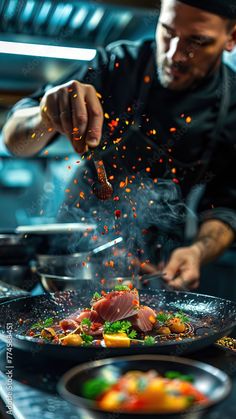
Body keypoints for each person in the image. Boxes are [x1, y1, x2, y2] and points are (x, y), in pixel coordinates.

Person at [3, 0, 236, 290]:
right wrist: (44, 116)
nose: (175, 54)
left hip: (155, 262)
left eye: (197, 41)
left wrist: (197, 252)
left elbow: (227, 207)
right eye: (166, 31)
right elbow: (13, 142)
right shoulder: (116, 65)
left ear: (231, 38)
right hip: (76, 247)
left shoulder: (232, 106)